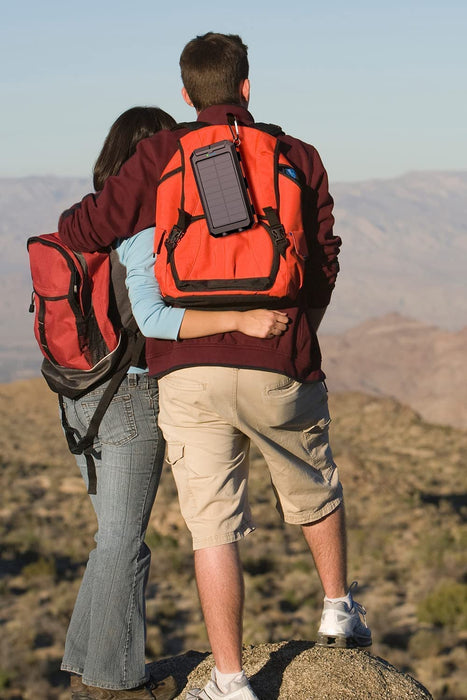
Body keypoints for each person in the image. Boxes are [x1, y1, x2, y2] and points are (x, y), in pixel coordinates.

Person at [58, 33, 372, 700]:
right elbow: (323, 254)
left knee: (211, 526)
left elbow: (82, 230)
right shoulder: (296, 155)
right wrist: (296, 332)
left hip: (186, 373)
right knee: (313, 483)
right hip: (277, 357)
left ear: (184, 95)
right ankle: (337, 606)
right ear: (247, 87)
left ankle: (229, 680)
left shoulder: (160, 154)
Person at [59, 105, 289, 700]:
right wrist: (238, 316)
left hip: (80, 396)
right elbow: (156, 319)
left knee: (109, 536)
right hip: (129, 396)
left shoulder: (97, 221)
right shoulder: (139, 234)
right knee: (124, 543)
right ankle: (116, 679)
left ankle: (87, 663)